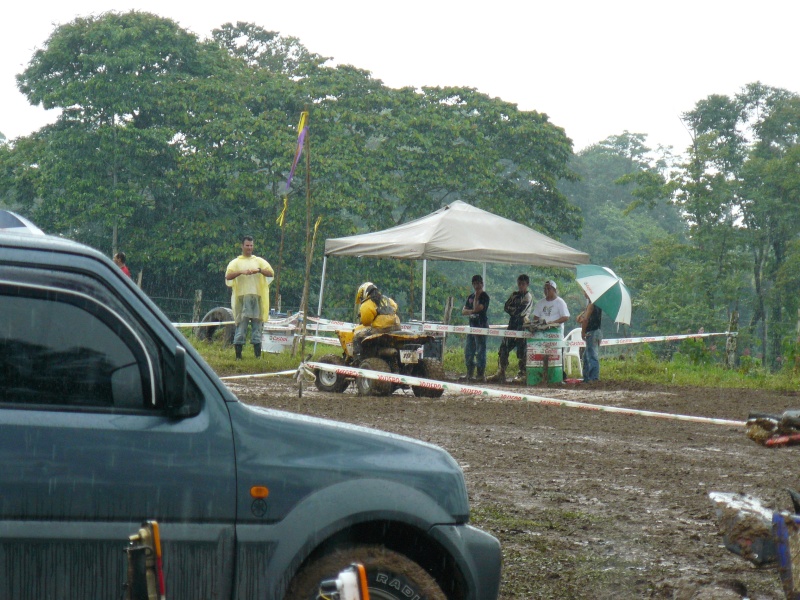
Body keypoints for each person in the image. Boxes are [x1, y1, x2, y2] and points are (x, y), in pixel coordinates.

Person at [225, 236, 274, 359]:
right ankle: (238, 356)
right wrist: (241, 272)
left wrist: (259, 270)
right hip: (242, 299)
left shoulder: (259, 261)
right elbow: (228, 276)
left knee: (257, 327)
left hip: (257, 298)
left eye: (251, 245)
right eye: (247, 245)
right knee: (241, 327)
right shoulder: (235, 262)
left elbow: (271, 273)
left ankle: (257, 356)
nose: (249, 248)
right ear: (242, 246)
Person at [488, 274, 533, 384]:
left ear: (527, 284)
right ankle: (501, 372)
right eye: (519, 284)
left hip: (522, 325)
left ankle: (523, 373)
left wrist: (513, 310)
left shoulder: (528, 297)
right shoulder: (514, 295)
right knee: (504, 347)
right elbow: (506, 307)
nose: (521, 286)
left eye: (523, 284)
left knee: (522, 351)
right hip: (512, 324)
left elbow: (520, 312)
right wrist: (514, 310)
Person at [352, 282, 400, 359]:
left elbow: (366, 321)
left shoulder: (368, 302)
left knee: (357, 337)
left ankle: (358, 359)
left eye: (361, 297)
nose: (361, 299)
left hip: (381, 328)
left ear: (364, 292)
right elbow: (395, 307)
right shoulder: (387, 299)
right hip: (396, 327)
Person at [460, 275, 490, 382]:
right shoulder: (470, 296)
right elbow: (463, 311)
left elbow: (479, 308)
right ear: (473, 284)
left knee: (480, 351)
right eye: (475, 283)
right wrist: (471, 311)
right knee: (469, 350)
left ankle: (480, 374)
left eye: (479, 283)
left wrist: (472, 309)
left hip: (481, 326)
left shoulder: (484, 296)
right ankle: (469, 373)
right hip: (472, 326)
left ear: (482, 284)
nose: (477, 285)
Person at [576, 292, 603, 383]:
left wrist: (583, 332)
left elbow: (585, 320)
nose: (584, 293)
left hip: (592, 332)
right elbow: (581, 318)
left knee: (591, 355)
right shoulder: (597, 304)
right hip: (597, 331)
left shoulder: (591, 305)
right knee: (587, 355)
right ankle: (587, 378)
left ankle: (593, 378)